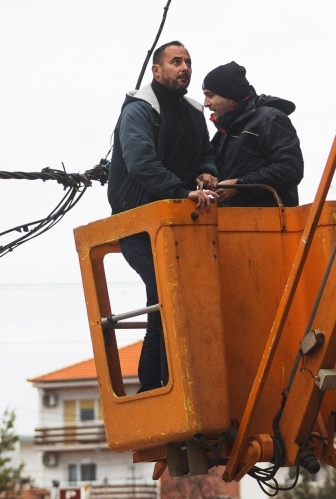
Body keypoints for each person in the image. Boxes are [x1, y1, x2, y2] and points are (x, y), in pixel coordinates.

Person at [107, 40, 218, 391]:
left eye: (187, 62)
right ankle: (153, 386)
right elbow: (142, 164)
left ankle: (164, 384)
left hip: (175, 221)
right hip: (137, 223)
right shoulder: (138, 111)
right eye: (175, 62)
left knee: (172, 299)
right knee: (164, 294)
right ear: (156, 70)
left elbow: (205, 153)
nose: (184, 67)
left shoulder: (192, 111)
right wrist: (183, 190)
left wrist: (206, 172)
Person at [200, 61, 304, 208]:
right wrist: (206, 174)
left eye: (210, 95)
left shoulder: (270, 119)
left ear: (231, 96)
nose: (205, 103)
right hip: (236, 225)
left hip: (269, 225)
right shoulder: (224, 133)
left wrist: (239, 185)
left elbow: (291, 168)